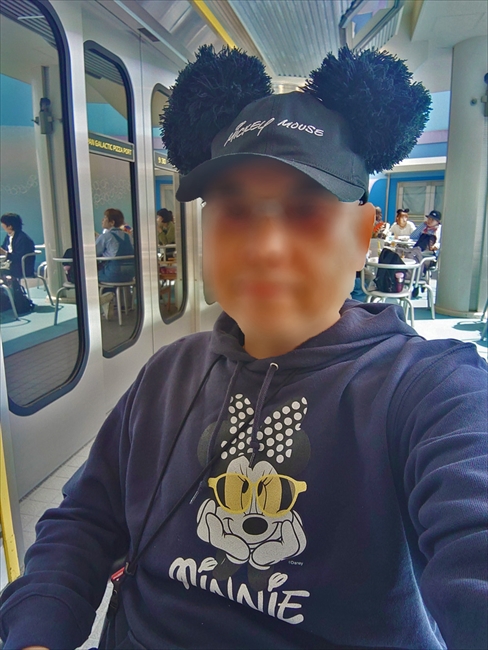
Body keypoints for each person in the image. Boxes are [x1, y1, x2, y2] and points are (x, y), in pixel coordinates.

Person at [1, 46, 486, 650]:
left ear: (361, 235)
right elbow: (84, 519)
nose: (264, 246)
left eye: (305, 211)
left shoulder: (430, 390)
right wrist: (37, 632)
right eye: (234, 211)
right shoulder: (168, 374)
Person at [96, 208, 135, 283]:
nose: (102, 220)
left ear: (112, 222)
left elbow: (93, 253)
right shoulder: (128, 236)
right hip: (130, 275)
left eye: (105, 218)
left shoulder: (105, 236)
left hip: (112, 274)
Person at [0, 213, 35, 278]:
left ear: (10, 226)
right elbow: (3, 248)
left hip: (21, 268)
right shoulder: (9, 236)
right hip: (10, 265)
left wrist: (4, 253)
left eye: (3, 223)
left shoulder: (23, 239)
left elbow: (18, 257)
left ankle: (11, 284)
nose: (1, 225)